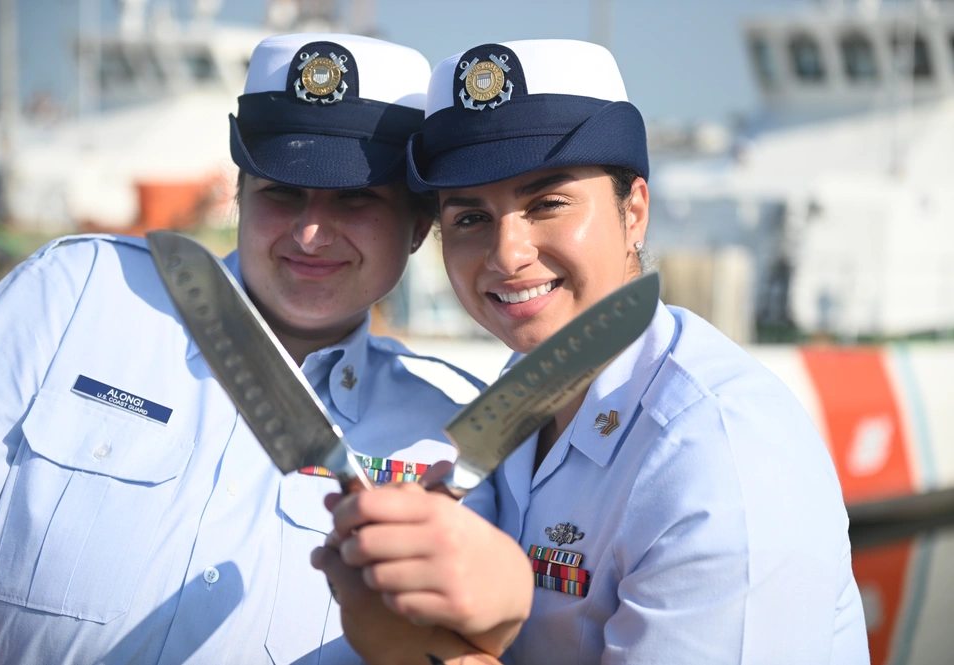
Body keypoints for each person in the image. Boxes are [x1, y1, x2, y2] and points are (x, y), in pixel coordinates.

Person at [312, 39, 871, 664]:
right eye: (470, 218)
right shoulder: (523, 389)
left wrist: (418, 652)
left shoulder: (717, 456)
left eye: (546, 204)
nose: (507, 253)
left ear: (633, 212)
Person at [0, 33, 500, 665]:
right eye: (282, 192)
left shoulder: (449, 439)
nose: (311, 232)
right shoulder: (75, 297)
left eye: (356, 199)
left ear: (417, 227)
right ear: (239, 194)